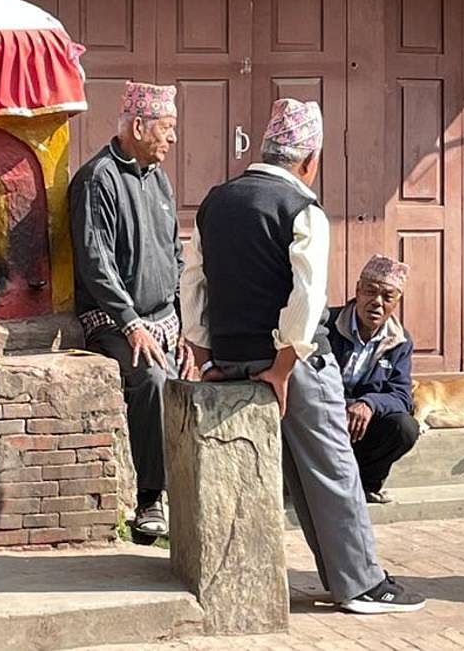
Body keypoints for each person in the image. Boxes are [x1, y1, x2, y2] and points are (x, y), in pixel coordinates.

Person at [181, 98, 425, 615]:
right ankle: (360, 583)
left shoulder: (215, 202)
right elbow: (308, 298)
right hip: (289, 363)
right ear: (309, 158)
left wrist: (206, 355)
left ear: (265, 148)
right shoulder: (302, 210)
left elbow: (193, 280)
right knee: (332, 470)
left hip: (230, 358)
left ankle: (345, 579)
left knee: (297, 473)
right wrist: (284, 367)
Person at [68, 81, 192, 537]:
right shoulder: (97, 178)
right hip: (113, 321)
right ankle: (149, 501)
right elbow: (95, 260)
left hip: (163, 320)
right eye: (167, 128)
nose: (173, 138)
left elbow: (175, 256)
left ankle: (184, 491)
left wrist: (184, 326)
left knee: (189, 383)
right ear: (138, 126)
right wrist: (131, 323)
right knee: (152, 381)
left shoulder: (158, 179)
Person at [327, 255, 419, 505]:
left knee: (405, 427)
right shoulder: (326, 324)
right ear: (358, 290)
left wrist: (369, 403)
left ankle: (366, 485)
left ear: (396, 302)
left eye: (388, 297)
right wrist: (343, 405)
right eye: (370, 292)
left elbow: (402, 396)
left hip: (360, 427)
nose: (377, 302)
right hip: (325, 416)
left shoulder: (400, 341)